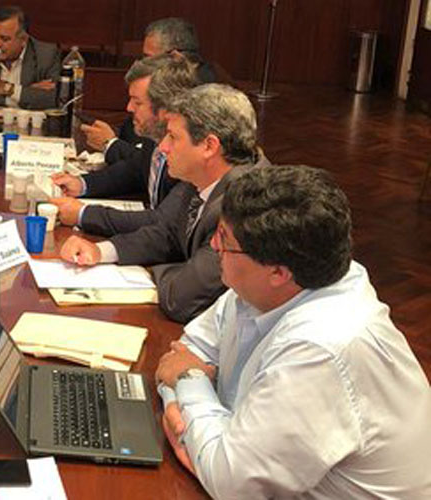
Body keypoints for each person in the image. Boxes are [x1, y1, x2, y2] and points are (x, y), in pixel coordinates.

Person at [155, 165, 431, 498]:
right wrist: (193, 420)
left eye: (224, 240)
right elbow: (182, 354)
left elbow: (231, 483)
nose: (214, 246)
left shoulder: (322, 346)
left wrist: (189, 382)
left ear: (278, 273)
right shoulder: (270, 285)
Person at [60, 84, 263, 323]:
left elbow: (182, 298)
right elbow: (166, 234)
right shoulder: (202, 176)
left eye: (173, 137)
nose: (163, 147)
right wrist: (101, 251)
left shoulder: (246, 204)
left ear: (209, 146)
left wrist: (150, 272)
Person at [50, 54, 199, 233]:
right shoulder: (154, 137)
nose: (129, 108)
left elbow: (162, 221)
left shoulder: (190, 154)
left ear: (165, 109)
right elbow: (134, 170)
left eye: (137, 102)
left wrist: (83, 214)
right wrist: (82, 184)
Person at [81, 17, 217, 160]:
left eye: (149, 58)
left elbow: (150, 160)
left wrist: (111, 144)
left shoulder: (199, 99)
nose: (143, 63)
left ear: (175, 57)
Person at [0, 5, 60, 110]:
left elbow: (54, 99)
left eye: (4, 39)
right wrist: (23, 94)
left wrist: (9, 89)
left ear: (23, 40)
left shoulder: (46, 55)